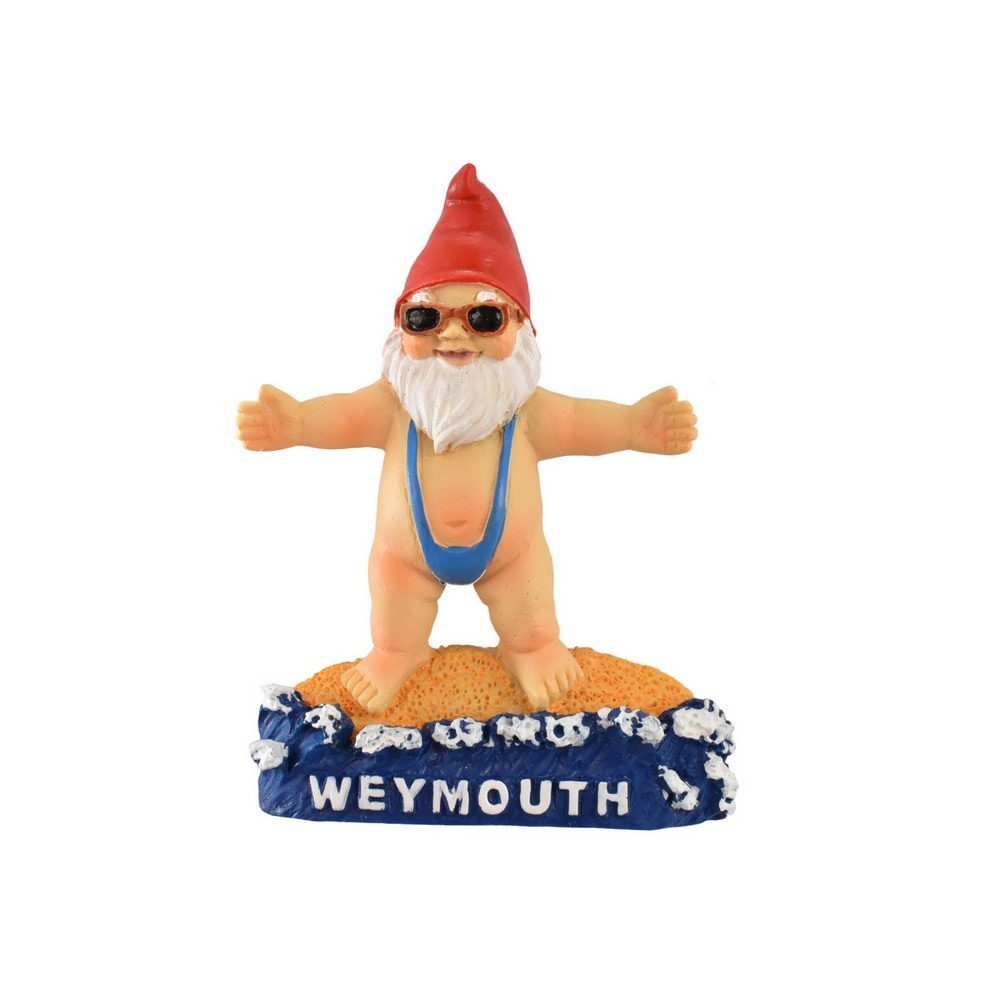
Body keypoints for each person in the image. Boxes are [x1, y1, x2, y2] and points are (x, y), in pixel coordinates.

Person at [237, 165, 697, 713]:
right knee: (394, 593)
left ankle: (533, 648)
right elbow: (339, 417)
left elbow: (578, 420)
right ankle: (395, 653)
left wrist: (635, 426)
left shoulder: (525, 410)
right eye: (425, 317)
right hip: (405, 553)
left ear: (519, 326)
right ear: (402, 327)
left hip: (511, 551)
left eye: (482, 317)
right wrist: (293, 422)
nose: (453, 333)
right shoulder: (393, 403)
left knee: (528, 602)